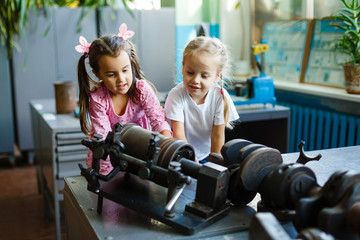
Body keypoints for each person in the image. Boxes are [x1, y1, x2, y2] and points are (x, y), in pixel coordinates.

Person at [75, 23, 172, 175]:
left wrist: (168, 149)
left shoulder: (141, 90)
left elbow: (158, 121)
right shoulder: (98, 99)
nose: (121, 79)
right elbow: (105, 141)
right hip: (107, 159)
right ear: (97, 74)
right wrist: (106, 177)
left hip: (140, 154)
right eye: (111, 74)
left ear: (131, 64)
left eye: (125, 70)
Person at [164, 36, 239, 164]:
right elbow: (178, 134)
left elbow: (217, 136)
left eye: (204, 75)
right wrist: (193, 161)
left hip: (207, 155)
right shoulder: (176, 95)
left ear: (217, 76)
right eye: (190, 72)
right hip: (180, 153)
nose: (195, 80)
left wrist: (214, 165)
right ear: (183, 67)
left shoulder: (220, 97)